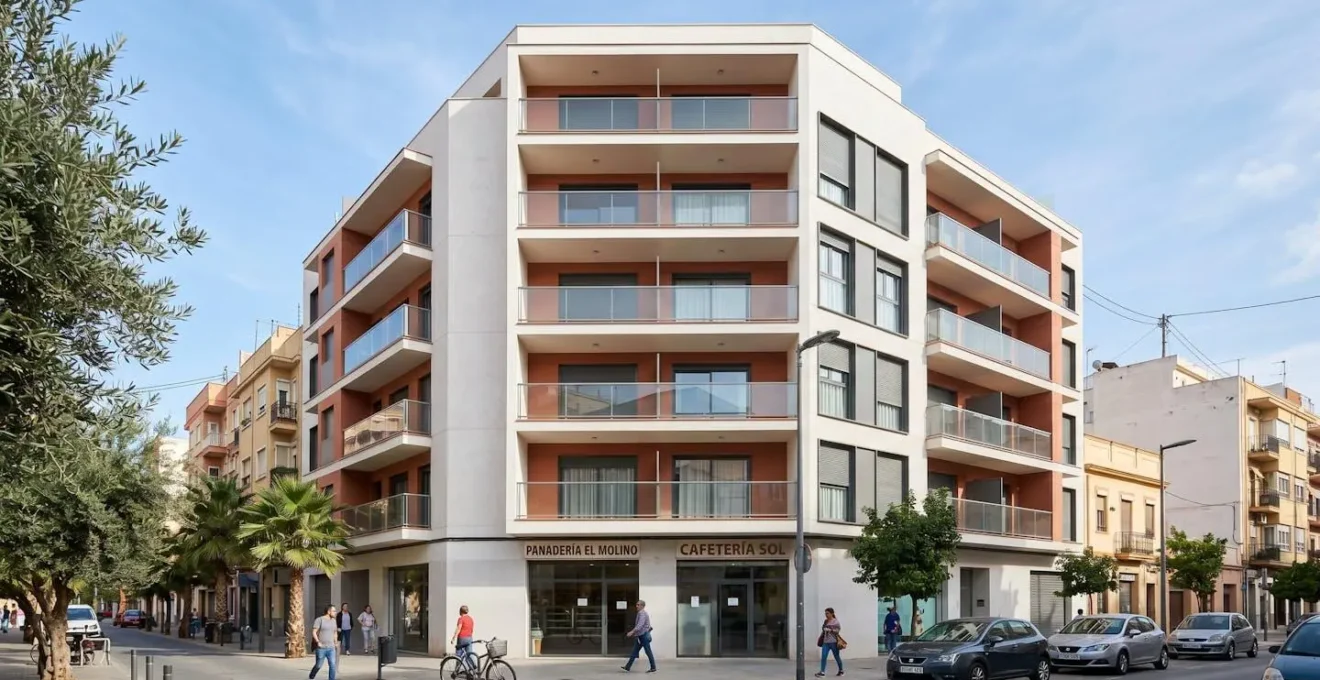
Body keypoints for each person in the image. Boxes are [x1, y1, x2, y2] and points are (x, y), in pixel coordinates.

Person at [621, 600, 656, 673]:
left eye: (638, 605)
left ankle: (653, 667)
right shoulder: (641, 613)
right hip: (641, 636)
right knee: (635, 652)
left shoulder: (642, 614)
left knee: (648, 652)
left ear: (642, 606)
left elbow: (640, 625)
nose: (636, 606)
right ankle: (627, 667)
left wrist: (632, 632)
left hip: (643, 636)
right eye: (636, 604)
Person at [310, 604, 339, 680]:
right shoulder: (319, 620)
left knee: (332, 665)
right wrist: (318, 642)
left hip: (331, 647)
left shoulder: (334, 621)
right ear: (329, 611)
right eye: (334, 611)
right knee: (318, 665)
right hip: (321, 648)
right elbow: (314, 632)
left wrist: (335, 642)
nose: (335, 612)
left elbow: (335, 632)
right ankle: (312, 676)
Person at [817, 607, 844, 677]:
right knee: (823, 656)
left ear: (832, 613)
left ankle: (841, 670)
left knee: (837, 657)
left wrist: (830, 630)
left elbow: (838, 630)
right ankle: (822, 672)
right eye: (825, 613)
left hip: (834, 642)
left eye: (827, 613)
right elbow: (823, 629)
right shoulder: (826, 621)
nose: (826, 615)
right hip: (825, 642)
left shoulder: (836, 621)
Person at [451, 605, 475, 671]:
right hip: (469, 638)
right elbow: (471, 629)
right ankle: (472, 667)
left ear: (460, 611)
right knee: (469, 654)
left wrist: (453, 638)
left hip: (462, 638)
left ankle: (456, 670)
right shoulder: (471, 619)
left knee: (458, 655)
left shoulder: (461, 619)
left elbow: (459, 628)